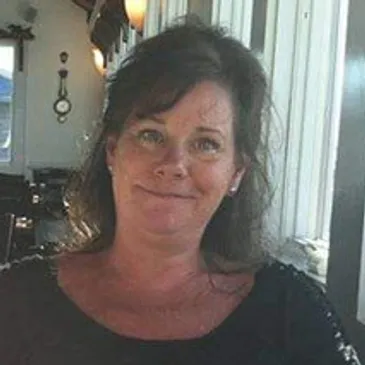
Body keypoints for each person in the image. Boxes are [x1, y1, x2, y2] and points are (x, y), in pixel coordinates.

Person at [0, 18, 362, 365]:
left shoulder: (292, 314)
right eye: (151, 135)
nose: (174, 163)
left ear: (236, 172)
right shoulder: (16, 300)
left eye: (206, 144)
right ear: (113, 151)